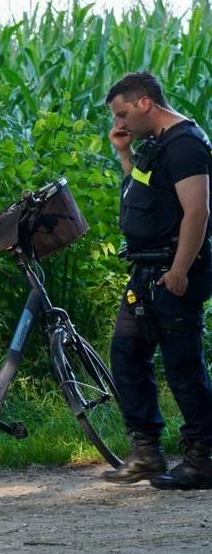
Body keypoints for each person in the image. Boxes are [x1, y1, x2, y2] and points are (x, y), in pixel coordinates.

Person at [101, 71, 212, 489]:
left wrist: (180, 269)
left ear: (145, 103)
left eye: (123, 114)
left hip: (174, 272)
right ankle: (146, 452)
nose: (120, 122)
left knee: (183, 367)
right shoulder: (158, 144)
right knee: (126, 354)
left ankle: (202, 458)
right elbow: (144, 192)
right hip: (145, 273)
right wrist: (124, 154)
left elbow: (197, 211)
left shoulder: (185, 145)